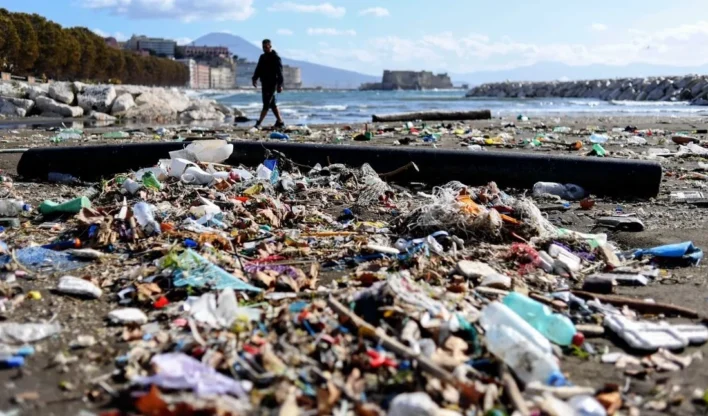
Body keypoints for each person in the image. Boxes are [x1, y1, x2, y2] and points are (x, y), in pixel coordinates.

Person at [252, 39, 285, 129]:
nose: (265, 49)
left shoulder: (275, 57)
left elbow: (280, 72)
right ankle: (280, 122)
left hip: (272, 84)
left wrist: (280, 85)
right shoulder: (262, 57)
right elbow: (258, 68)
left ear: (270, 46)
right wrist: (254, 78)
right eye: (263, 47)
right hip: (264, 83)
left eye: (266, 47)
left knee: (266, 103)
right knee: (272, 104)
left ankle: (259, 123)